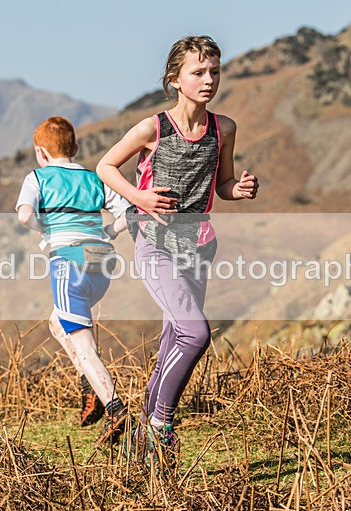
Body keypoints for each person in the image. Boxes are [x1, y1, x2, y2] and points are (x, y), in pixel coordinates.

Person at [96, 36, 259, 466]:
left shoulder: (224, 128)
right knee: (195, 333)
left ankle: (144, 436)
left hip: (199, 245)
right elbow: (105, 166)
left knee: (175, 335)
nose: (209, 80)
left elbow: (220, 184)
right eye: (198, 72)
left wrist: (237, 190)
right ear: (175, 80)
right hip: (154, 241)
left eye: (215, 71)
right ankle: (160, 426)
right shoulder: (153, 128)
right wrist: (140, 197)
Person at [16, 116, 130, 446]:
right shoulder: (96, 179)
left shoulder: (37, 177)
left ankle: (114, 407)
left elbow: (24, 215)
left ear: (40, 152)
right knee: (57, 322)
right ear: (76, 148)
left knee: (84, 345)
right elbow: (127, 213)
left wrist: (46, 230)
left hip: (69, 263)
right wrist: (106, 232)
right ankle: (89, 385)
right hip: (103, 262)